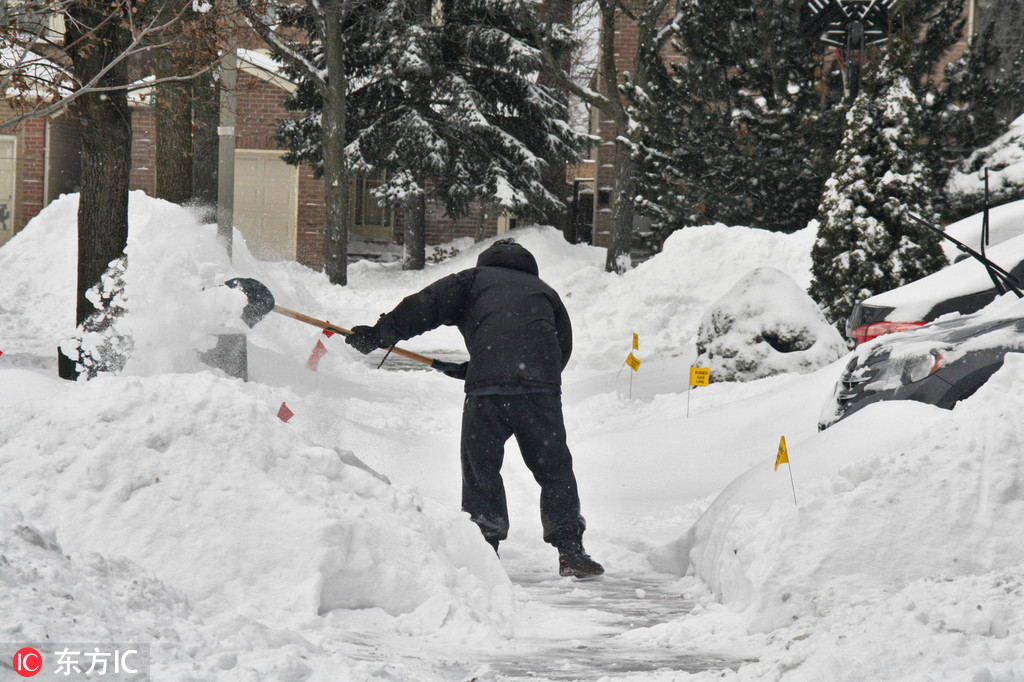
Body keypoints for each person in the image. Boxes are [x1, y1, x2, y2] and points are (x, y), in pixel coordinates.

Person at [345, 239, 604, 578]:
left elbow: (426, 305)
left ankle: (485, 549)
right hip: (540, 391)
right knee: (554, 468)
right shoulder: (544, 291)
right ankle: (572, 552)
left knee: (481, 465)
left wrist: (381, 334)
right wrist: (510, 372)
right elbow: (560, 346)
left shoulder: (473, 280)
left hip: (488, 393)